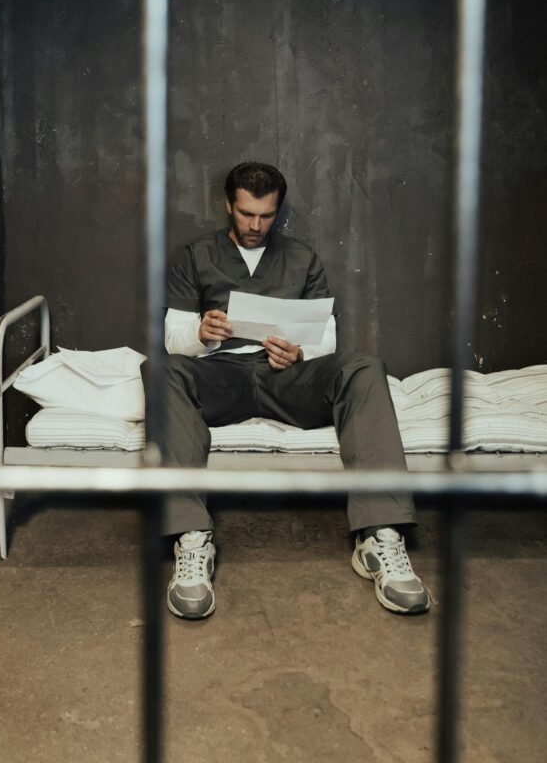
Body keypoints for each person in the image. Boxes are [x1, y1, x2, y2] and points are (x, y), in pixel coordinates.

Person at [152, 161, 429, 620]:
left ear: (277, 210)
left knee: (364, 367)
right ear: (228, 206)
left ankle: (380, 537)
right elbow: (173, 339)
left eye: (266, 216)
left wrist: (300, 353)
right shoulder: (196, 255)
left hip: (284, 377)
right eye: (246, 214)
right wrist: (202, 334)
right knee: (161, 371)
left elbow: (326, 337)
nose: (256, 225)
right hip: (221, 374)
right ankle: (191, 539)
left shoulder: (301, 257)